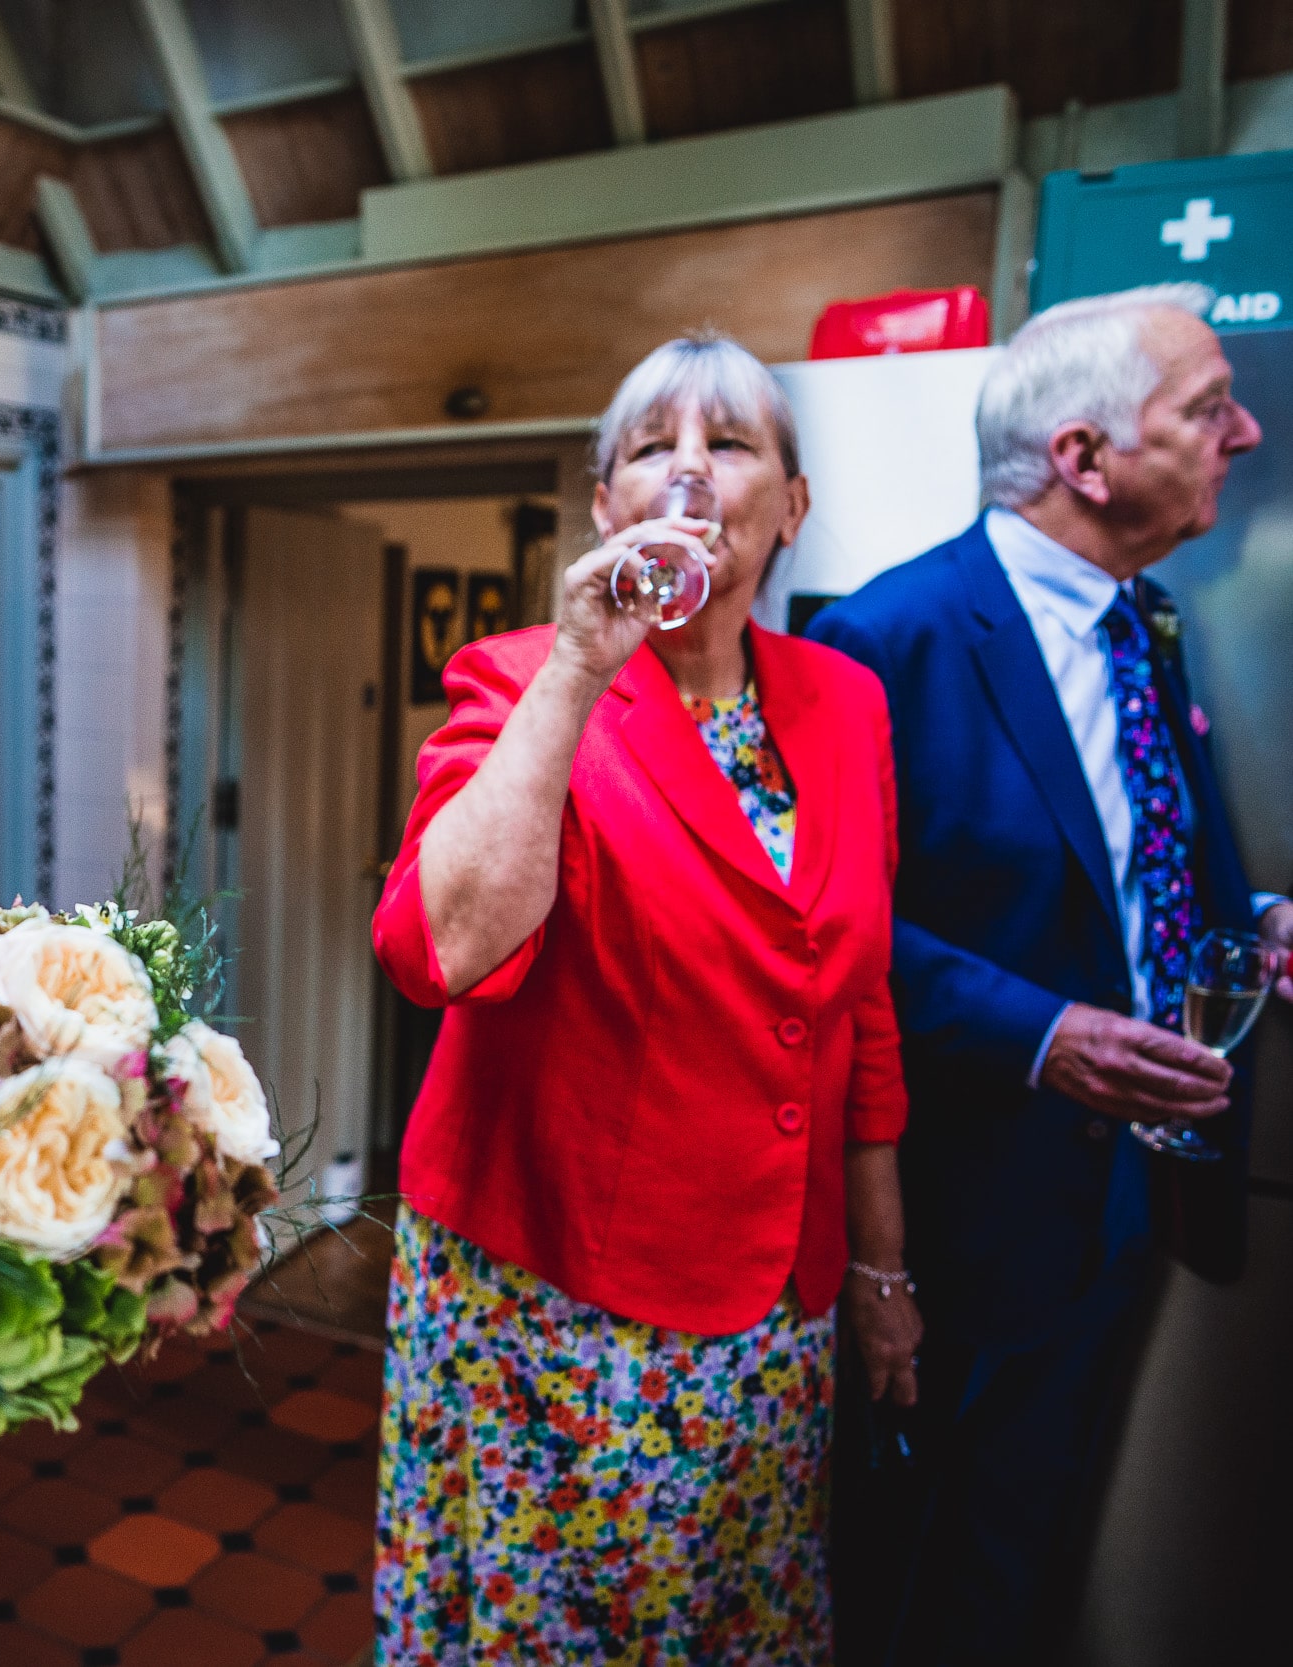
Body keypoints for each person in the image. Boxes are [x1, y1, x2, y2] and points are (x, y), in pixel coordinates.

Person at [372, 332, 918, 1664]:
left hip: (774, 1314)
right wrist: (577, 667)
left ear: (790, 508)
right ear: (605, 502)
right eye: (648, 449)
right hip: (556, 1306)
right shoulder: (516, 679)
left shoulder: (844, 702)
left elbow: (859, 1007)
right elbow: (436, 947)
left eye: (729, 443)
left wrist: (879, 1265)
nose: (688, 472)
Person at [806, 283, 1291, 1663]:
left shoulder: (1156, 624)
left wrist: (1248, 915)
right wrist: (1039, 1032)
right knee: (898, 1571)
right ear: (1082, 459)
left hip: (1125, 1201)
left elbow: (1125, 855)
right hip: (953, 1217)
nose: (1246, 433)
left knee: (1023, 1560)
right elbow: (833, 928)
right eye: (1207, 408)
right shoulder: (886, 641)